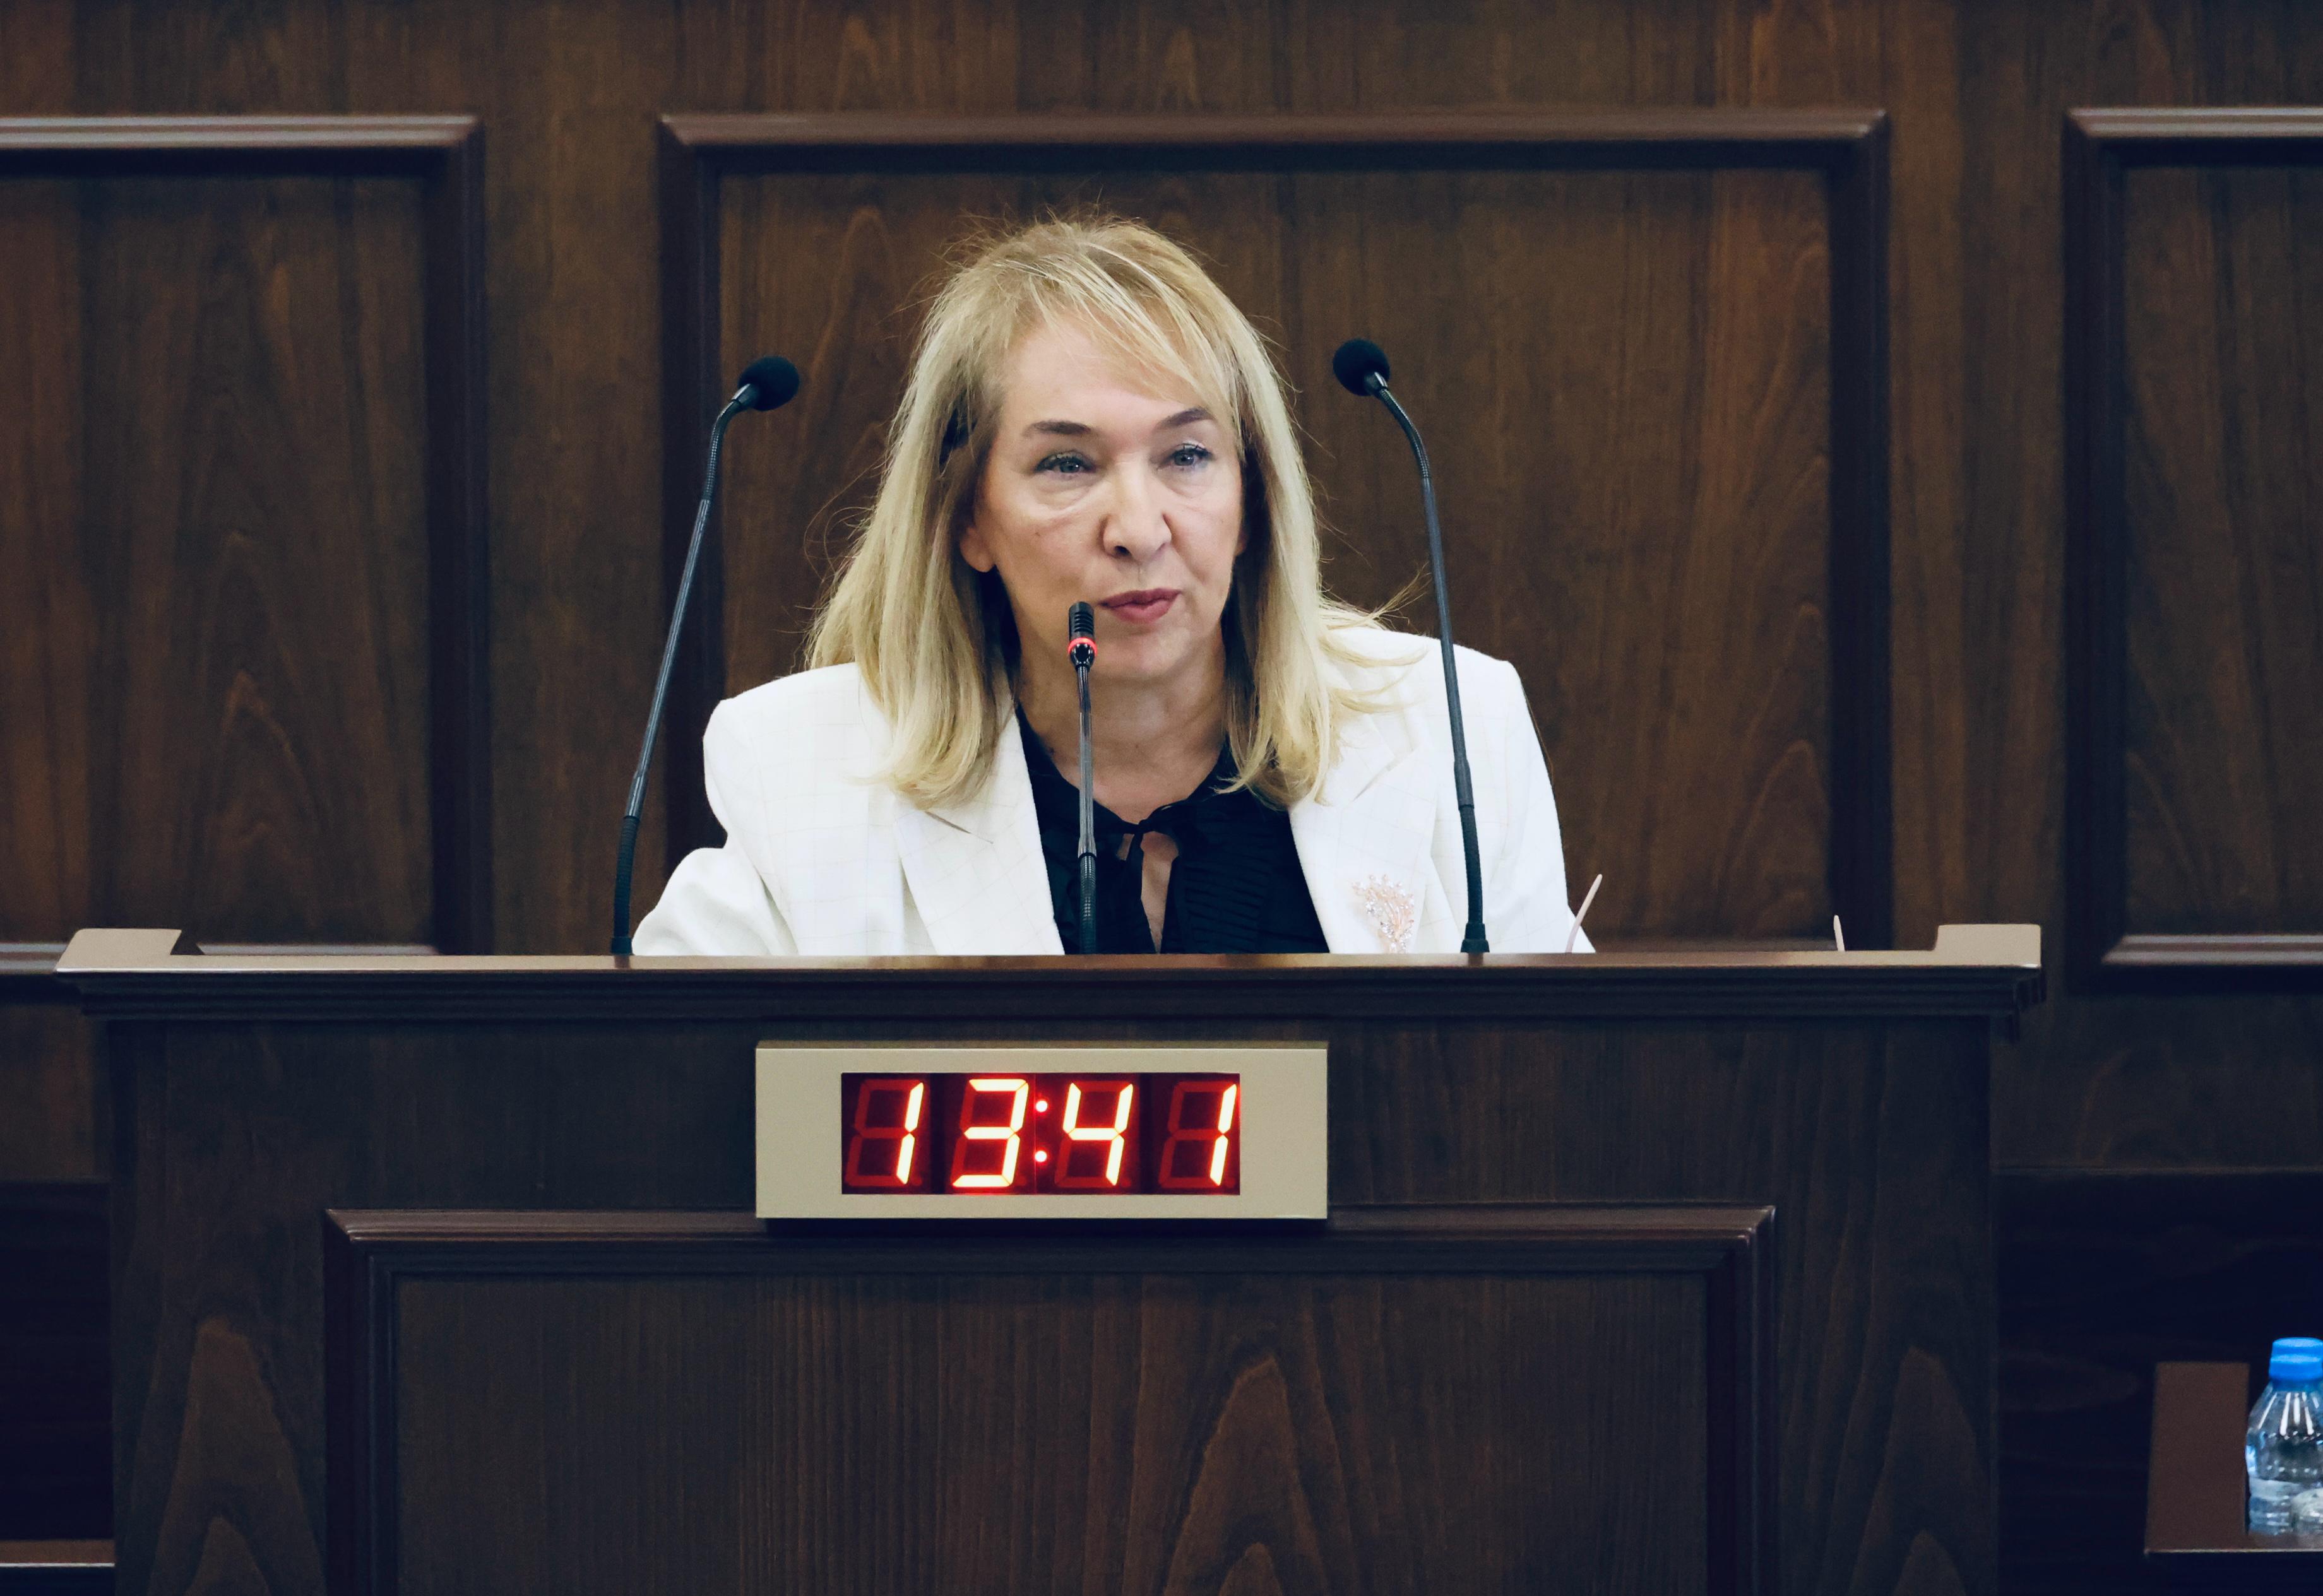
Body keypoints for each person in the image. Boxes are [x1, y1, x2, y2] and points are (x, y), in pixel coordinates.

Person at [634, 216, 1588, 957]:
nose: (1139, 528)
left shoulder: (1450, 730)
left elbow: (1552, 1096)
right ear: (968, 520)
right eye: (1067, 465)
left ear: (1253, 499)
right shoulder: (806, 770)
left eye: (1186, 455)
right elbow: (667, 1091)